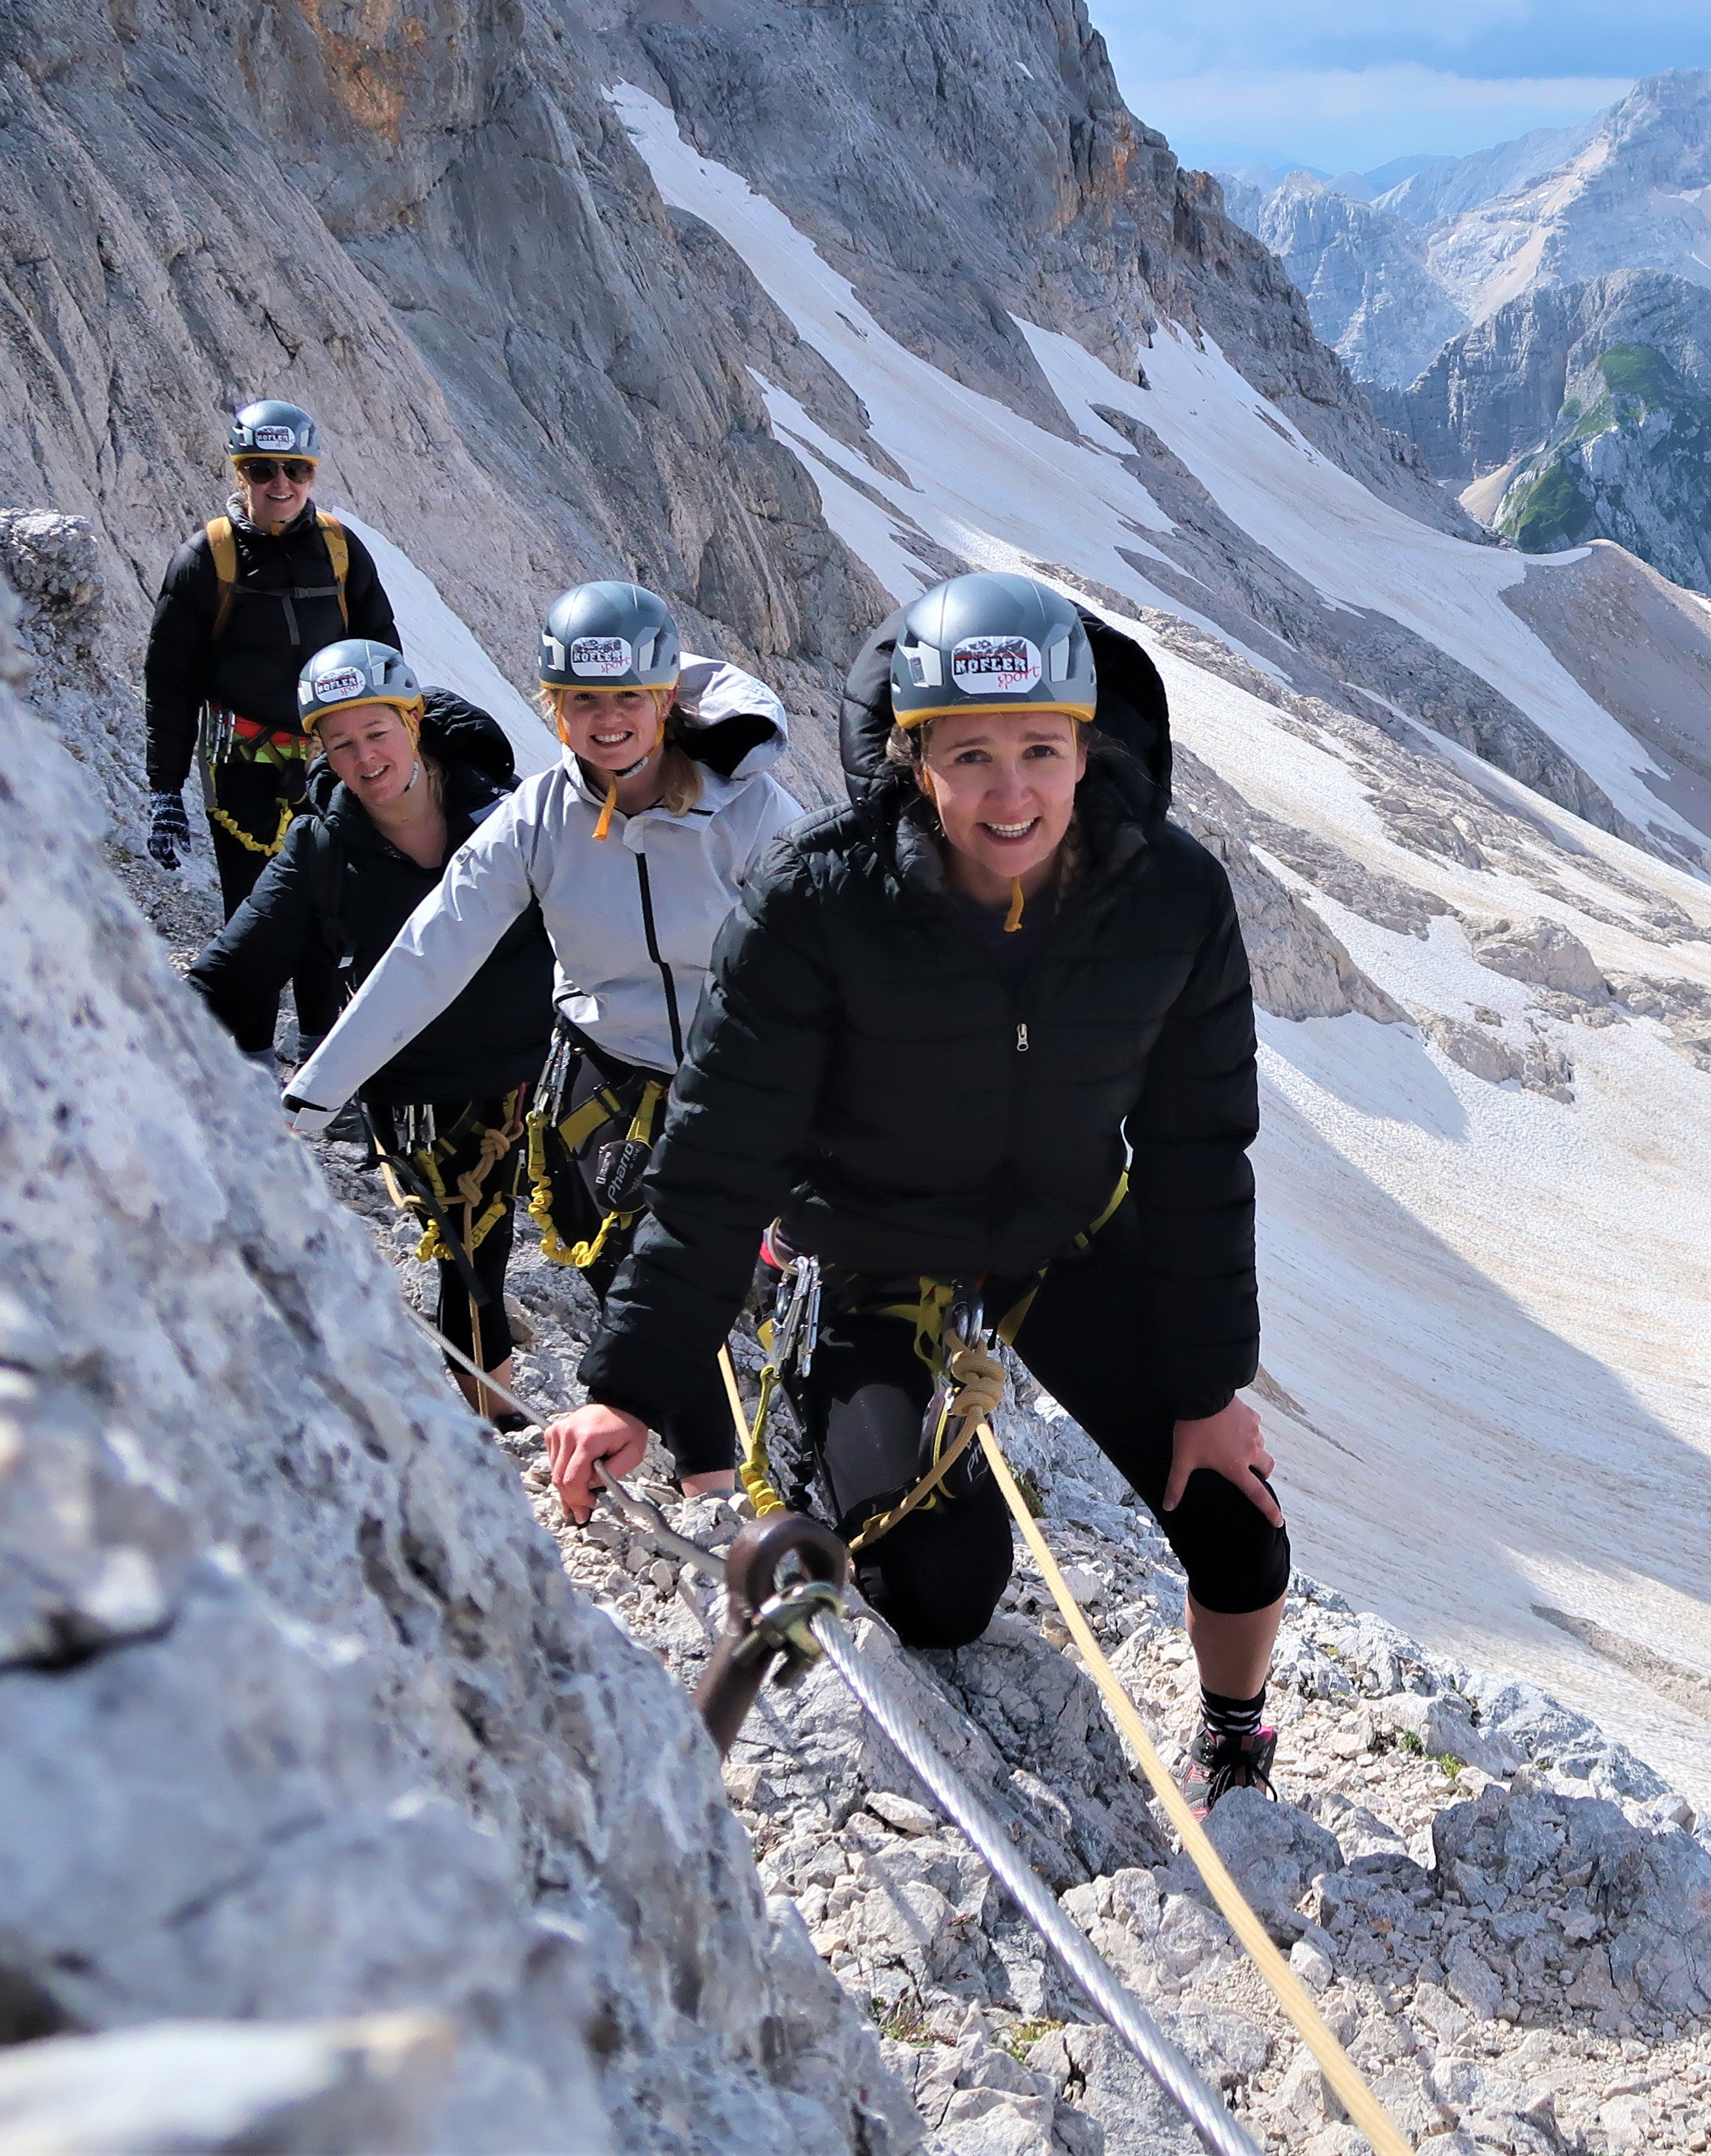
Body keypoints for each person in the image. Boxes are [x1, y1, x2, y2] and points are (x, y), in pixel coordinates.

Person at [544, 571, 1292, 1805]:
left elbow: (1199, 1150)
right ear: (914, 758)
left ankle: (1233, 1738)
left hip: (1063, 1232)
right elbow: (720, 1158)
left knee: (1236, 1527)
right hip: (869, 1247)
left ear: (1087, 747)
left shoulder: (1169, 898)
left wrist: (1207, 1392)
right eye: (970, 755)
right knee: (938, 1589)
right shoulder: (818, 903)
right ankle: (815, 1423)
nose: (1012, 794)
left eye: (1040, 750)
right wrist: (629, 1386)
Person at [283, 582, 798, 1300]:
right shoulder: (538, 820)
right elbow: (434, 950)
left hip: (742, 1071)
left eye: (628, 697)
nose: (607, 719)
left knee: (739, 1293)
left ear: (665, 699)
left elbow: (824, 953)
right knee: (642, 1295)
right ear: (555, 706)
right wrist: (309, 1101)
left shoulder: (749, 811)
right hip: (608, 1074)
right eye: (583, 699)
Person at [185, 640, 552, 1423]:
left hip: (544, 1074)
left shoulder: (509, 815)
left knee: (582, 1243)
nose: (365, 758)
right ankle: (497, 1420)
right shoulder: (322, 849)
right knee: (472, 1253)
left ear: (413, 722)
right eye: (341, 743)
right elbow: (236, 970)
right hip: (427, 1096)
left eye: (377, 732)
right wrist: (132, 1025)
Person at [143, 399, 403, 1051]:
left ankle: (321, 1054)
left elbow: (382, 654)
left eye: (296, 469)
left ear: (312, 473)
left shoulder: (341, 550)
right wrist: (164, 789)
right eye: (263, 469)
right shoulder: (206, 558)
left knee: (330, 907)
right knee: (254, 913)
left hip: (330, 761)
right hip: (242, 769)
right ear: (241, 474)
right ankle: (253, 1057)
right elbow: (170, 681)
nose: (280, 483)